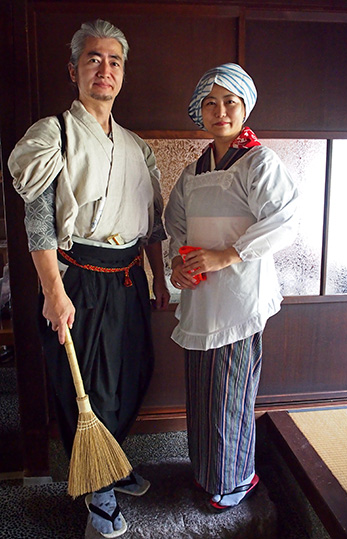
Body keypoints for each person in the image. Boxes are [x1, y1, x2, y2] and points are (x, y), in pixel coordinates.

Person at [8, 19, 169, 538]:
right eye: (94, 59)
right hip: (75, 280)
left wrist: (157, 278)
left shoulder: (136, 146)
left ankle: (111, 465)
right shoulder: (51, 133)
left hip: (127, 280)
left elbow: (151, 221)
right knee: (89, 387)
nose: (105, 69)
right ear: (74, 69)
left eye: (114, 61)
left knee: (132, 375)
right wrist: (52, 292)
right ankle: (97, 498)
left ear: (123, 74)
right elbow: (37, 221)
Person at [165, 63, 298, 512]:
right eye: (210, 103)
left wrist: (229, 255)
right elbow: (176, 226)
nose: (220, 111)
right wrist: (177, 266)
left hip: (241, 294)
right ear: (199, 112)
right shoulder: (193, 170)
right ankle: (208, 472)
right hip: (202, 296)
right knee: (202, 389)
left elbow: (283, 220)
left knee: (231, 391)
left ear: (245, 107)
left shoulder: (260, 161)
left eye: (230, 102)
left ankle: (239, 475)